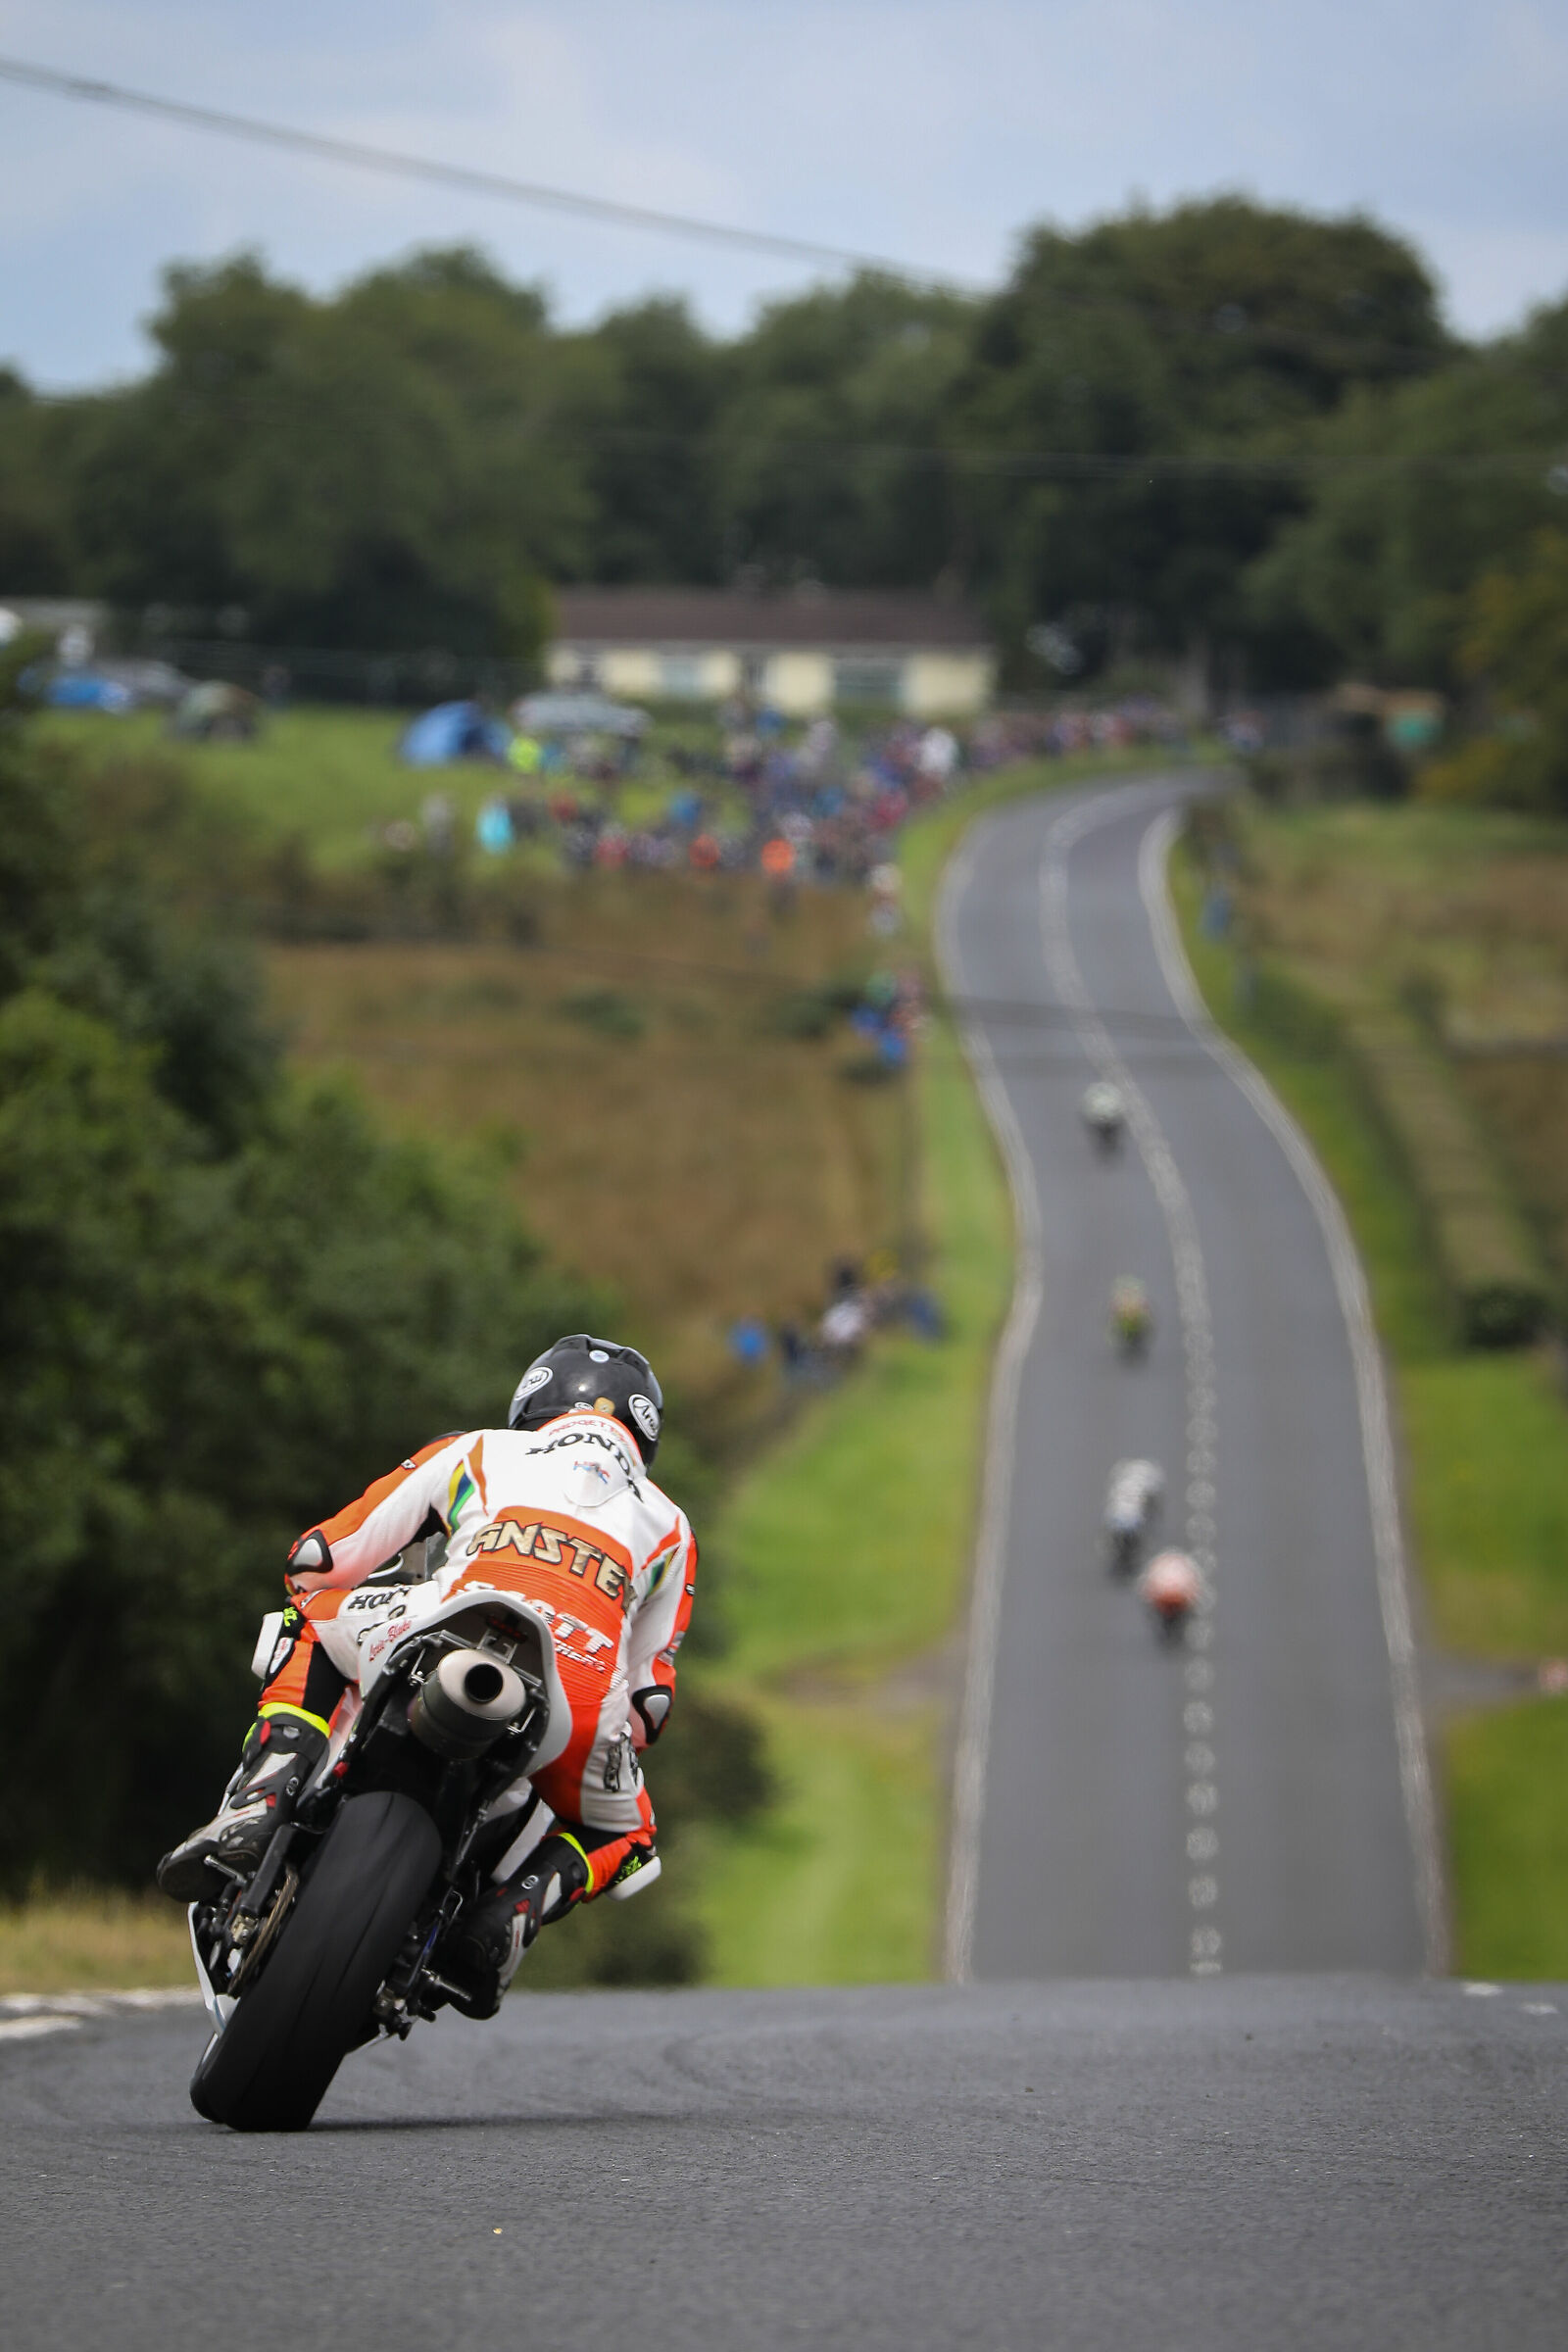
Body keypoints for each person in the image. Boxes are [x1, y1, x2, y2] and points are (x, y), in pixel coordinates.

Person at [158, 1335, 696, 2018]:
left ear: (532, 1402)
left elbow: (322, 1555)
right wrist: (612, 1731)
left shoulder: (478, 1449)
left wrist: (313, 1576)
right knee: (629, 1836)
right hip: (577, 1696)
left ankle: (263, 1798)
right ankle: (507, 1918)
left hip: (438, 1625)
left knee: (311, 1619)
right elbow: (649, 1703)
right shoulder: (671, 1526)